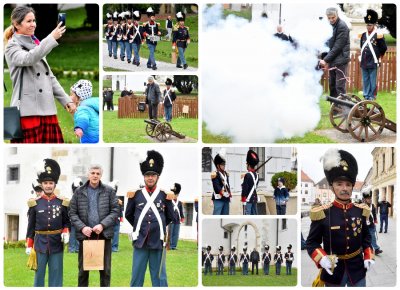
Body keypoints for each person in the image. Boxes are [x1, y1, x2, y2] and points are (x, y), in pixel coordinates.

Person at [4, 6, 76, 143]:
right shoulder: (12, 47)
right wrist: (51, 38)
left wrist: (67, 100)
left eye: (34, 20)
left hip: (47, 111)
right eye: (29, 21)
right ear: (16, 24)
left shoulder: (36, 43)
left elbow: (49, 78)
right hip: (27, 113)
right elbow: (29, 59)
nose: (33, 24)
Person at [306, 148, 374, 287]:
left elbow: (367, 237)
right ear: (332, 187)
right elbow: (312, 242)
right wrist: (322, 258)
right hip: (333, 271)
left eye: (348, 184)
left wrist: (368, 255)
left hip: (357, 269)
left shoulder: (361, 211)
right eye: (339, 184)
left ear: (352, 187)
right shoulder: (322, 213)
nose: (344, 188)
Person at [125, 150, 176, 286]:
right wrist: (139, 226)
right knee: (136, 278)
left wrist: (159, 226)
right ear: (144, 177)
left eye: (153, 175)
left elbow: (171, 216)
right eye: (147, 175)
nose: (150, 178)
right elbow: (128, 215)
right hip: (140, 242)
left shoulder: (165, 196)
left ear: (157, 177)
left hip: (157, 242)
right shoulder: (135, 195)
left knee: (159, 278)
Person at [69, 165, 119, 287]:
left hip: (103, 235)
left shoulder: (109, 191)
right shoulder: (78, 192)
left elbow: (115, 211)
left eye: (98, 173)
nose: (95, 175)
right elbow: (72, 212)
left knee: (105, 271)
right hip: (85, 235)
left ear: (101, 175)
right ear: (88, 174)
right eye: (92, 173)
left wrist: (102, 225)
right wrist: (82, 227)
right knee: (83, 271)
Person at [26, 159, 70, 286]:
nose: (48, 185)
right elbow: (31, 226)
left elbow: (67, 222)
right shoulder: (35, 203)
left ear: (55, 185)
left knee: (56, 274)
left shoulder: (62, 203)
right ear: (42, 185)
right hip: (39, 244)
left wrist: (66, 232)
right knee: (39, 274)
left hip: (56, 243)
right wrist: (29, 244)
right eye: (45, 183)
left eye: (51, 183)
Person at [319, 7, 350, 98]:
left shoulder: (342, 26)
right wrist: (324, 58)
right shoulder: (330, 26)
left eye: (333, 17)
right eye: (329, 18)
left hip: (341, 60)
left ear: (337, 15)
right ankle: (334, 110)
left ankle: (344, 109)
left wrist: (325, 60)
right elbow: (328, 44)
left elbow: (338, 46)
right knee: (332, 86)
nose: (331, 20)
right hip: (333, 60)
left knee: (339, 86)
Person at [359, 9, 387, 100]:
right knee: (365, 80)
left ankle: (371, 96)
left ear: (374, 25)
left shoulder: (378, 35)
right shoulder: (363, 35)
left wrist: (378, 56)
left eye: (370, 25)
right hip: (364, 61)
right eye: (367, 25)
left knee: (372, 80)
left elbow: (383, 48)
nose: (368, 27)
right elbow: (361, 47)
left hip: (373, 61)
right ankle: (366, 95)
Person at [70, 79, 99, 144]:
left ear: (79, 97)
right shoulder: (91, 106)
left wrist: (79, 128)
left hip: (90, 140)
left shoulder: (82, 109)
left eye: (72, 95)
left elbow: (83, 118)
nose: (70, 97)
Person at [211, 149, 231, 215]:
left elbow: (227, 184)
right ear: (218, 165)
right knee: (217, 215)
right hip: (218, 198)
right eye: (222, 165)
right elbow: (216, 186)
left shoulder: (226, 174)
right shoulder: (215, 174)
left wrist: (229, 193)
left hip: (226, 199)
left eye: (224, 164)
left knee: (225, 215)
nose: (224, 166)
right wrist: (222, 192)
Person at [242, 150, 259, 215]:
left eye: (246, 164)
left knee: (247, 214)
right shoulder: (257, 175)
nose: (246, 165)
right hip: (254, 198)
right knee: (254, 214)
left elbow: (245, 188)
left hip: (248, 199)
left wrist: (243, 199)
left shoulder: (247, 175)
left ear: (248, 165)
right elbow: (254, 186)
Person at [69, 178, 83, 254]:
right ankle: (72, 248)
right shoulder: (72, 200)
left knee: (79, 235)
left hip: (81, 220)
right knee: (73, 235)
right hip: (74, 220)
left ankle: (78, 248)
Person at [169, 183, 184, 250]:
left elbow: (181, 211)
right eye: (175, 194)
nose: (176, 196)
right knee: (171, 234)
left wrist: (182, 217)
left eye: (177, 195)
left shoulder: (179, 202)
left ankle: (174, 246)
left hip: (177, 220)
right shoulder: (169, 202)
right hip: (171, 220)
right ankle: (169, 245)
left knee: (176, 234)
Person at [109, 180, 122, 252]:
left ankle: (114, 247)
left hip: (115, 218)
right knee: (114, 233)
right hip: (112, 218)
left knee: (115, 233)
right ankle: (113, 247)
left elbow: (119, 209)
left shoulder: (117, 200)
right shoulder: (117, 200)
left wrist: (120, 217)